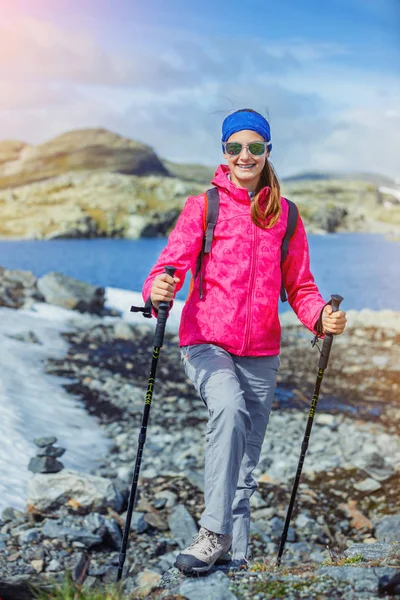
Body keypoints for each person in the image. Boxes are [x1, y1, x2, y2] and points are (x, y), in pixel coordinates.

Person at [142, 108, 347, 575]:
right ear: (224, 152)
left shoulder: (286, 215)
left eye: (255, 147)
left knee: (246, 461)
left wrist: (321, 318)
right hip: (206, 342)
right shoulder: (204, 206)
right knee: (229, 410)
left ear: (268, 151)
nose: (245, 155)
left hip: (262, 352)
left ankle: (237, 557)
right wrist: (157, 289)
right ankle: (212, 533)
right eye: (235, 147)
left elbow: (300, 287)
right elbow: (168, 267)